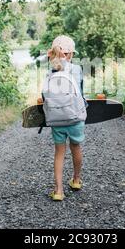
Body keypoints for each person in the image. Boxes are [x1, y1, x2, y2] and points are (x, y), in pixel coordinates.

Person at [42, 35, 87, 201]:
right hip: (75, 117)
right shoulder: (77, 70)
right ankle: (76, 180)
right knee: (76, 147)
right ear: (70, 54)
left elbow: (44, 95)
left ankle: (59, 190)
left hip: (57, 119)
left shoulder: (49, 71)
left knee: (59, 153)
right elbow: (81, 95)